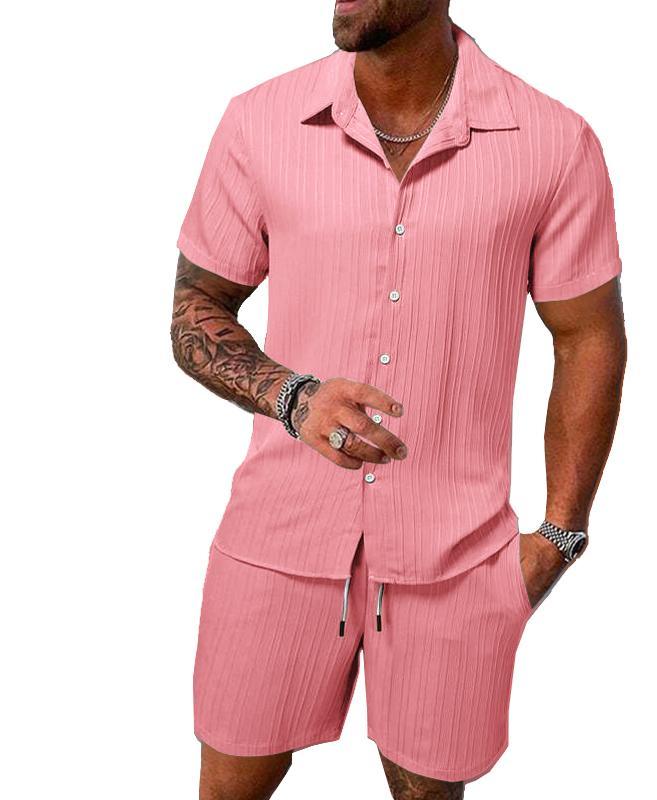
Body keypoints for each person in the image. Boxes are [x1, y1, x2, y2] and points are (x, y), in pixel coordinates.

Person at [171, 2, 627, 798]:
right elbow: (194, 308)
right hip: (275, 539)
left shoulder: (554, 142)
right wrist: (291, 396)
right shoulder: (259, 121)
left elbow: (588, 336)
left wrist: (560, 535)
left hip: (457, 559)